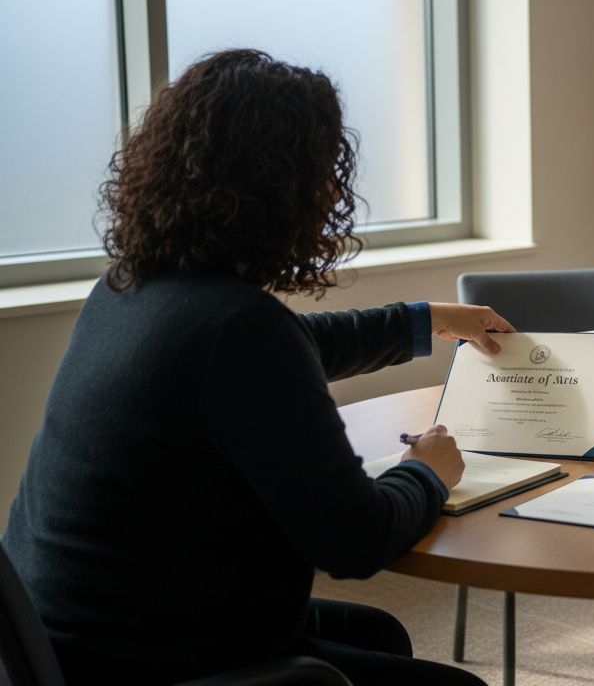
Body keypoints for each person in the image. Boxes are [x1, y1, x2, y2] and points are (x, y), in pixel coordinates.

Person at [1, 49, 514, 684]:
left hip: (66, 637)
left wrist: (426, 319)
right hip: (144, 660)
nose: (333, 190)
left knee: (379, 632)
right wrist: (426, 473)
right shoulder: (237, 328)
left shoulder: (130, 289)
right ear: (284, 188)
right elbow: (355, 540)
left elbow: (284, 348)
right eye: (326, 173)